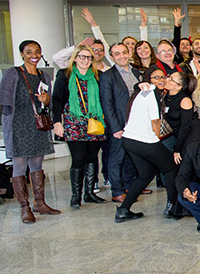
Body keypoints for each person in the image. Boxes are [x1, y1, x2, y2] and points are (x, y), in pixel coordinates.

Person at [0, 40, 58, 223]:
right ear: (22, 54)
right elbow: (4, 101)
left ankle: (39, 203)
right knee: (19, 166)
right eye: (29, 52)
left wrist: (47, 99)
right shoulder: (13, 73)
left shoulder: (44, 76)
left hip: (38, 125)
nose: (34, 55)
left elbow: (48, 102)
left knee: (37, 164)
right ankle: (24, 207)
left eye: (37, 51)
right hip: (18, 125)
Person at [116, 69, 181, 223]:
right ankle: (173, 207)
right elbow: (155, 121)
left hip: (129, 140)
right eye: (156, 77)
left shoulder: (143, 93)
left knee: (145, 174)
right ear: (148, 79)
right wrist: (156, 139)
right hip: (144, 140)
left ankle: (123, 210)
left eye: (163, 77)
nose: (161, 80)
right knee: (171, 168)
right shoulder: (150, 92)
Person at [52, 45, 107, 208]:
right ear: (75, 58)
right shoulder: (65, 75)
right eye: (82, 57)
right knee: (78, 159)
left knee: (92, 158)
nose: (86, 60)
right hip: (73, 123)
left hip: (95, 123)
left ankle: (89, 193)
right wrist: (57, 121)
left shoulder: (98, 76)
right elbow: (57, 100)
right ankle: (76, 196)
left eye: (89, 57)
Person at [99, 43, 142, 204]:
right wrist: (115, 128)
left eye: (124, 52)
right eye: (117, 54)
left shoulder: (137, 72)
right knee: (117, 158)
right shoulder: (107, 76)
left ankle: (130, 186)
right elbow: (107, 104)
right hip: (119, 124)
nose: (122, 56)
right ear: (111, 57)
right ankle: (117, 191)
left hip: (136, 123)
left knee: (131, 157)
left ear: (129, 53)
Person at [163, 72, 200, 166]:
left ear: (179, 87)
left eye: (171, 79)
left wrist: (177, 148)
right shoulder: (165, 96)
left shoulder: (185, 100)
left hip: (192, 130)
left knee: (184, 157)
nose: (167, 79)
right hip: (178, 131)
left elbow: (185, 126)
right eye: (169, 76)